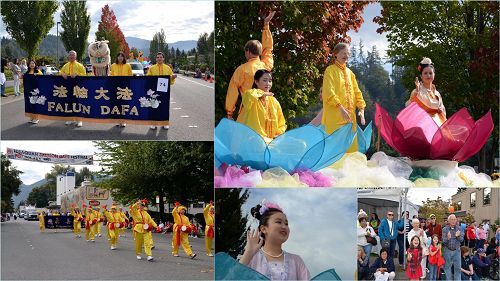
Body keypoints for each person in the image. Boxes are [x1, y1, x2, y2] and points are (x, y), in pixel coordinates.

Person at [239, 201, 310, 280]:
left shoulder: (296, 260)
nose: (284, 226)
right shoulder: (252, 258)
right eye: (278, 222)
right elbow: (233, 278)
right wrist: (248, 253)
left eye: (286, 224)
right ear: (263, 229)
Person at [226, 11, 275, 121]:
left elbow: (232, 90)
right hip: (266, 110)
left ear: (248, 51)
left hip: (248, 112)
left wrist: (230, 112)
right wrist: (266, 26)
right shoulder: (266, 65)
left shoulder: (241, 70)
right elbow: (268, 49)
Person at [321, 42, 366, 152]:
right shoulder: (330, 71)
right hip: (335, 118)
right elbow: (328, 92)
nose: (346, 56)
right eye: (343, 53)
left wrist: (361, 109)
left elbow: (357, 92)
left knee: (351, 150)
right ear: (335, 54)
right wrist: (341, 108)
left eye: (348, 53)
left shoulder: (350, 73)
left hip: (350, 119)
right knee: (335, 150)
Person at [236, 70, 286, 142]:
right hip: (253, 140)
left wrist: (276, 136)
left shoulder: (274, 102)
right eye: (265, 80)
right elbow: (250, 95)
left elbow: (281, 124)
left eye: (270, 81)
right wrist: (263, 93)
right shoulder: (250, 96)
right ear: (256, 82)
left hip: (270, 142)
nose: (268, 83)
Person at [406, 57, 446, 126]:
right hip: (422, 125)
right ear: (421, 76)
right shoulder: (417, 91)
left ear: (434, 75)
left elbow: (443, 110)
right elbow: (408, 106)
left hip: (437, 125)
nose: (428, 75)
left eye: (430, 73)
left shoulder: (437, 94)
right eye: (425, 73)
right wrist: (417, 93)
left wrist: (440, 110)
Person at [147, 51, 176, 130]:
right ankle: (153, 123)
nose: (159, 58)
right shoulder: (152, 68)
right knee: (154, 106)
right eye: (158, 57)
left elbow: (171, 80)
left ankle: (165, 123)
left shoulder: (168, 68)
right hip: (154, 91)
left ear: (163, 58)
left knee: (164, 107)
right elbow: (148, 78)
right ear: (156, 59)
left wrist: (173, 78)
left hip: (165, 91)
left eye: (161, 57)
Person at [60, 50, 87, 127]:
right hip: (68, 87)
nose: (71, 56)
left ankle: (79, 120)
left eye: (73, 55)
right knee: (69, 102)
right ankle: (70, 119)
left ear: (76, 56)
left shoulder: (80, 65)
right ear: (68, 56)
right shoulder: (65, 65)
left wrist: (77, 74)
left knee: (78, 102)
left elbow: (84, 74)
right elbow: (60, 71)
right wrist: (62, 73)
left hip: (77, 87)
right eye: (70, 55)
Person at [110, 51, 133, 127]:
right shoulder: (113, 65)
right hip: (116, 88)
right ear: (117, 58)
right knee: (116, 104)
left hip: (125, 88)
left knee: (124, 104)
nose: (120, 58)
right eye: (119, 56)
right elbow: (111, 75)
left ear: (124, 58)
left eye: (122, 56)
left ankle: (123, 121)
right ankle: (117, 120)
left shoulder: (128, 66)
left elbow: (130, 76)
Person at [443, 214, 465, 281]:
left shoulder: (459, 228)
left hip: (457, 251)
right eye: (451, 219)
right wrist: (448, 238)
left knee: (458, 268)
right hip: (448, 250)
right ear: (448, 221)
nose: (453, 221)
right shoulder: (445, 229)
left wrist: (457, 236)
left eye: (454, 219)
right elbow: (443, 241)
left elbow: (462, 240)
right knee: (447, 268)